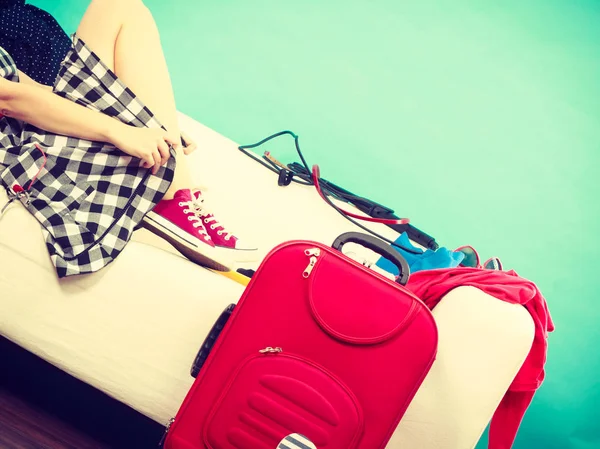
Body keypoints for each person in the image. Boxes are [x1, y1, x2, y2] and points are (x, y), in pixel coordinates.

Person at [0, 0, 256, 278]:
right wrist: (120, 130)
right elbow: (9, 99)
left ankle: (180, 196)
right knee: (115, 6)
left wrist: (146, 119)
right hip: (26, 149)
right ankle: (171, 198)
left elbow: (38, 91)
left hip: (44, 123)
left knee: (122, 7)